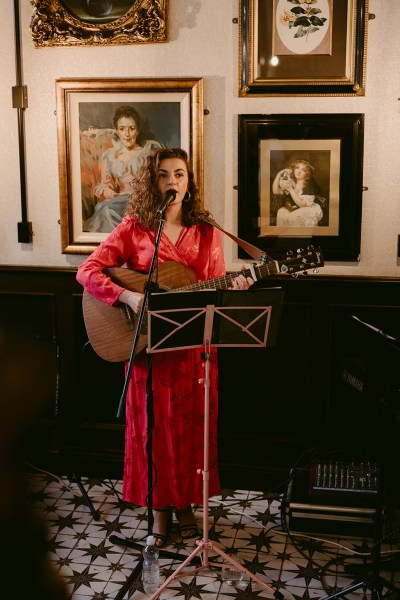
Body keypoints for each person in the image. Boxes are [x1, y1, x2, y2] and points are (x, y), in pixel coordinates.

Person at [77, 147, 254, 547]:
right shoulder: (135, 227)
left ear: (189, 181)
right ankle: (158, 512)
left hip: (194, 351)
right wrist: (128, 298)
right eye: (163, 175)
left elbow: (216, 288)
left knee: (192, 432)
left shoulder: (207, 232)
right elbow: (86, 270)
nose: (172, 181)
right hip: (147, 352)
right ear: (151, 181)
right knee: (153, 432)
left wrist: (237, 286)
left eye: (179, 174)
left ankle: (187, 506)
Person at [83, 105, 162, 233]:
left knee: (109, 211)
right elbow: (105, 185)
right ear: (117, 131)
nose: (127, 134)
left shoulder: (148, 155)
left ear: (138, 130)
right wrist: (115, 195)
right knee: (106, 210)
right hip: (117, 201)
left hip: (141, 203)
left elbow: (155, 185)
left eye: (131, 128)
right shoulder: (109, 156)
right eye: (122, 129)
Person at [272, 159, 326, 227]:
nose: (299, 171)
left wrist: (290, 189)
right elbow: (276, 192)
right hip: (297, 208)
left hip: (309, 208)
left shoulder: (309, 185)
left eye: (303, 170)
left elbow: (302, 205)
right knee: (281, 212)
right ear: (293, 169)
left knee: (292, 217)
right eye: (297, 168)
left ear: (307, 174)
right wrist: (279, 174)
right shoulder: (291, 182)